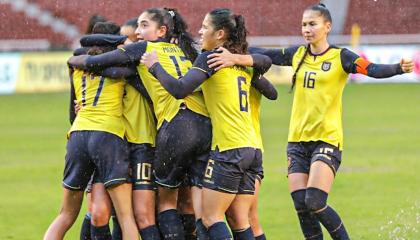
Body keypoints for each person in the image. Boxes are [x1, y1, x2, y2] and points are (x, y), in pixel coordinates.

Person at [206, 3, 414, 240]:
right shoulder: (297, 54)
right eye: (304, 24)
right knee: (301, 206)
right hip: (297, 143)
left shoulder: (341, 57)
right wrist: (233, 53)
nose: (307, 29)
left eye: (312, 24)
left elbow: (373, 69)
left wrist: (398, 68)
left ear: (327, 26)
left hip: (327, 140)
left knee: (314, 200)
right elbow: (264, 55)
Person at [68, 8, 212, 240]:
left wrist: (75, 60)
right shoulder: (174, 52)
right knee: (105, 212)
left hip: (149, 141)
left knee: (153, 209)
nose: (135, 35)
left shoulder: (137, 59)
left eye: (141, 28)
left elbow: (97, 61)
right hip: (125, 141)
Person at [140, 8, 274, 240]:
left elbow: (180, 89)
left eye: (205, 27)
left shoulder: (210, 58)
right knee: (240, 219)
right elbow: (272, 92)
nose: (200, 32)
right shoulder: (240, 62)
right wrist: (240, 61)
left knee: (211, 218)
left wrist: (155, 66)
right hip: (253, 149)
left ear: (220, 34)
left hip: (228, 149)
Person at [44, 24, 139, 240]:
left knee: (66, 214)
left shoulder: (77, 67)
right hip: (108, 135)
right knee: (126, 218)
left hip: (78, 135)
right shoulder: (119, 69)